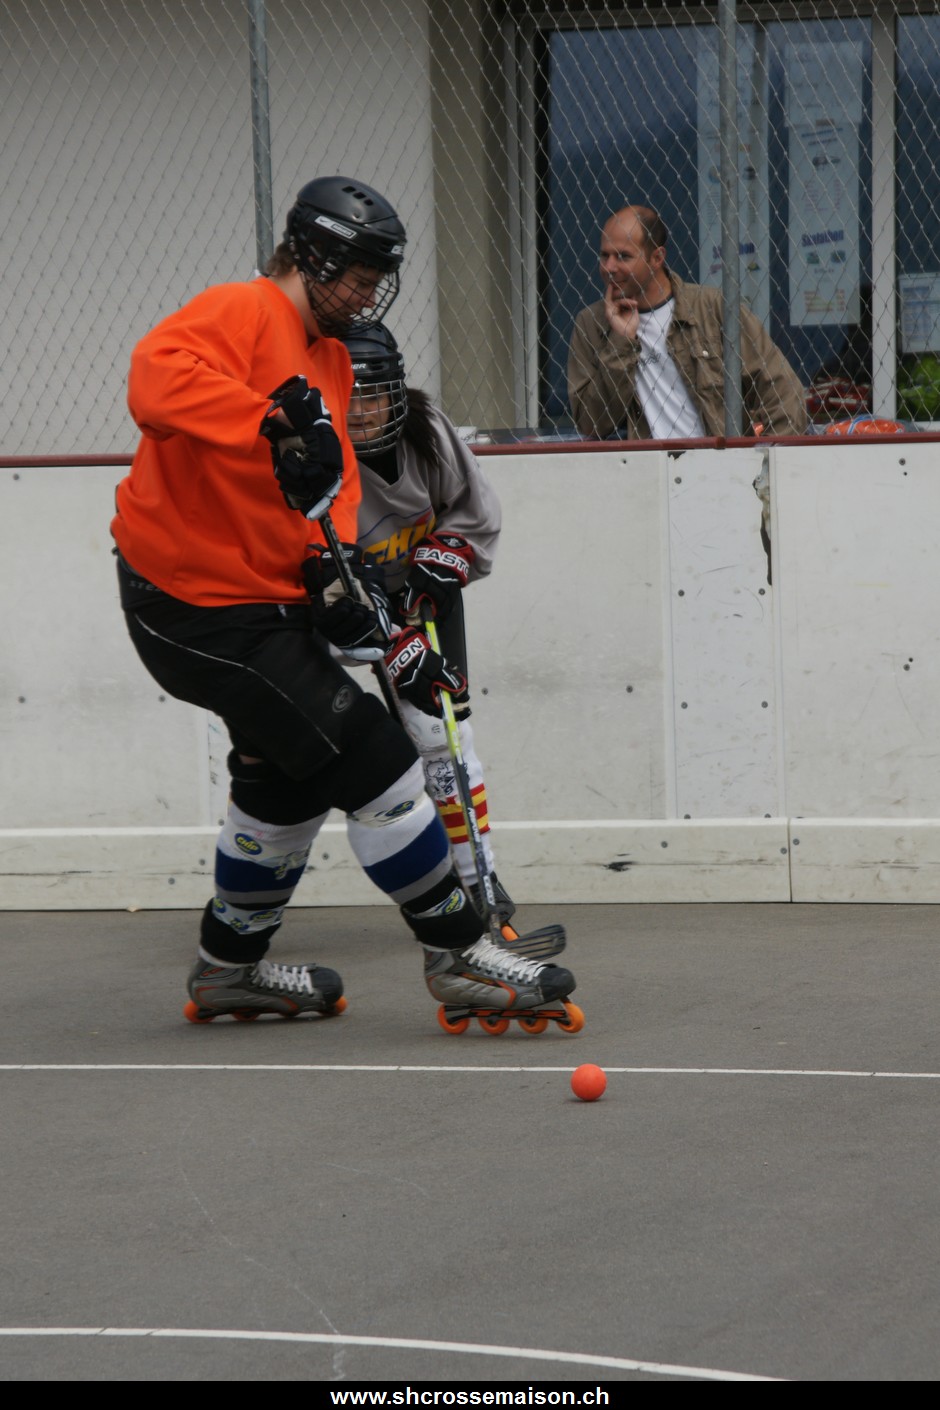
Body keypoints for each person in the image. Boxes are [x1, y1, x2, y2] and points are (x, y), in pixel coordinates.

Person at [111, 174, 576, 1028]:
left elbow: (334, 528)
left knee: (285, 782)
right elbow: (153, 379)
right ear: (314, 259)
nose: (368, 299)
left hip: (258, 604)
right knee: (375, 760)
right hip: (187, 602)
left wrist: (381, 628)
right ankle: (459, 954)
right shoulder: (245, 310)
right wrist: (270, 419)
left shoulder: (329, 360)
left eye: (376, 283)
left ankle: (228, 970)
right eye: (360, 279)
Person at [338, 321, 515, 927]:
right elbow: (323, 580)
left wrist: (446, 555)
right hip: (345, 608)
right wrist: (390, 638)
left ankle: (477, 879)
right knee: (301, 765)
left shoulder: (428, 430)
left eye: (372, 395)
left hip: (422, 593)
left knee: (444, 732)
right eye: (347, 396)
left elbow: (474, 510)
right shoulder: (316, 457)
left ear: (396, 392)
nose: (360, 412)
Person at [567, 203, 807, 440]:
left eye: (623, 256)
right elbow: (590, 423)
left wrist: (765, 457)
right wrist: (621, 343)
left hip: (718, 461)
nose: (609, 267)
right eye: (605, 255)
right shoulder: (591, 325)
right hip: (645, 463)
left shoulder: (713, 309)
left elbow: (783, 392)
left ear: (657, 258)